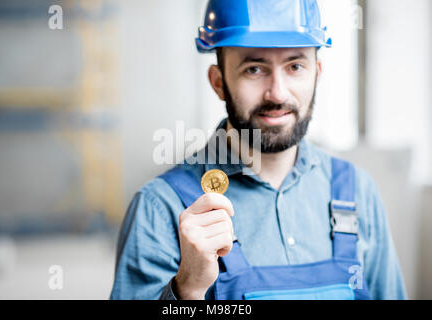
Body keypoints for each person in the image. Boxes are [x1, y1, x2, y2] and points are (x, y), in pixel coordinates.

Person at [110, 0, 407, 300]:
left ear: (316, 73)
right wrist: (187, 289)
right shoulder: (160, 208)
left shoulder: (357, 192)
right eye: (254, 69)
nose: (277, 93)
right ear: (219, 83)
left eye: (295, 66)